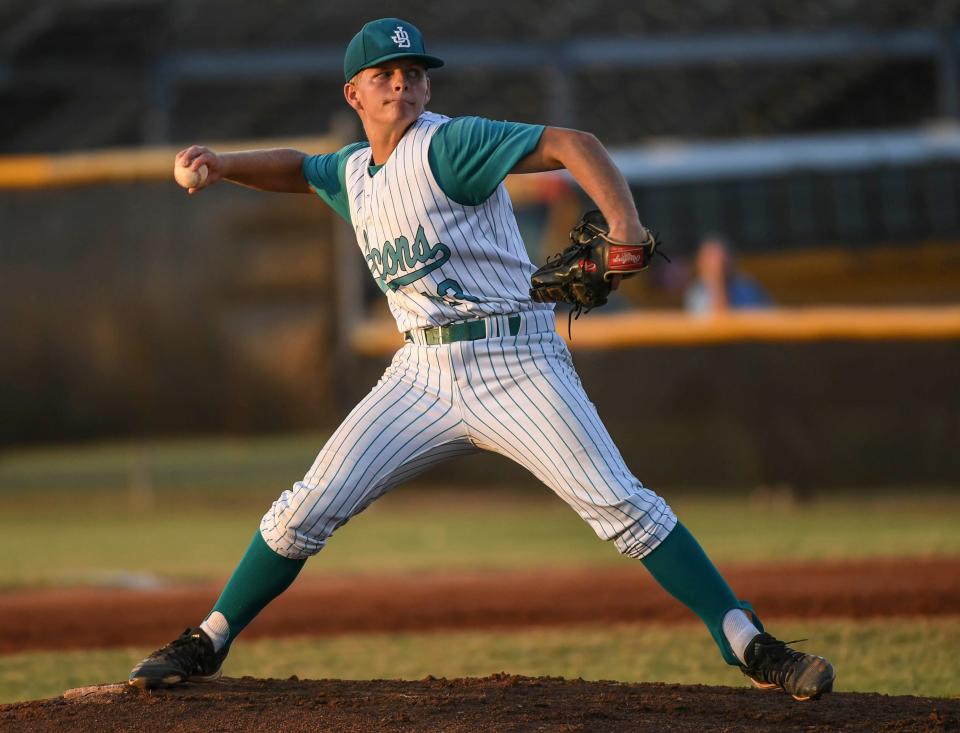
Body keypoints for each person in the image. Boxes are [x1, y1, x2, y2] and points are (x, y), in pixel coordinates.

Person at [129, 18, 834, 701]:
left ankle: (748, 639)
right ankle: (209, 638)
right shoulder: (354, 173)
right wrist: (223, 165)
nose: (402, 85)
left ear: (428, 91)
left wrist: (625, 225)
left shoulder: (450, 145)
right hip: (421, 376)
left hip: (515, 362)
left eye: (414, 75)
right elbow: (301, 169)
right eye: (385, 75)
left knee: (624, 507)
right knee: (303, 509)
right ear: (355, 94)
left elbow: (572, 142)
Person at [684, 235, 772, 315]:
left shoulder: (747, 289)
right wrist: (716, 282)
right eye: (710, 258)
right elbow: (715, 323)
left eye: (722, 257)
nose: (718, 263)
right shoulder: (696, 292)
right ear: (700, 263)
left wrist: (719, 281)